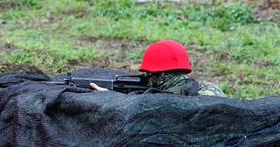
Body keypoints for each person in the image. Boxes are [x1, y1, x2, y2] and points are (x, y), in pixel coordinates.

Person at [91, 40, 226, 97]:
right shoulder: (207, 87)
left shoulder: (173, 100)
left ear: (160, 75)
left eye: (149, 74)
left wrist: (110, 97)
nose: (147, 78)